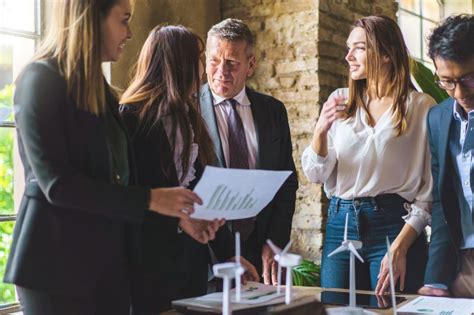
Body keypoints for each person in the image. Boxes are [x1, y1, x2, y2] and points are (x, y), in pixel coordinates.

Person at [4, 1, 222, 314]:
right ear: (92, 19)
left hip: (105, 267)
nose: (130, 33)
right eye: (123, 20)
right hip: (54, 269)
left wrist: (178, 216)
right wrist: (151, 199)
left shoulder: (104, 93)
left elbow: (116, 183)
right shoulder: (39, 79)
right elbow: (58, 184)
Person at [120, 25, 259, 314]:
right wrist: (178, 220)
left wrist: (228, 257)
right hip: (148, 268)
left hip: (190, 265)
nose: (203, 68)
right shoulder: (131, 119)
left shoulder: (188, 117)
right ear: (177, 63)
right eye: (199, 58)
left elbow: (200, 199)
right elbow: (130, 199)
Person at [302, 15, 435, 294]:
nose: (348, 56)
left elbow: (428, 190)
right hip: (341, 222)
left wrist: (400, 246)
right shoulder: (340, 100)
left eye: (359, 48)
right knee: (335, 310)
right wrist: (320, 131)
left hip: (393, 226)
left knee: (391, 310)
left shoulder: (421, 106)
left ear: (386, 54)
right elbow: (315, 174)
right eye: (348, 48)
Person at [200, 18, 298, 285]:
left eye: (232, 63)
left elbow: (286, 182)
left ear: (251, 65)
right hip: (206, 253)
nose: (222, 71)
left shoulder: (273, 111)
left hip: (261, 251)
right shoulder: (189, 109)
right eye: (214, 60)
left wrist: (274, 243)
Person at [419, 14, 474, 298]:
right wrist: (436, 279)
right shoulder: (438, 118)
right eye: (448, 82)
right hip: (462, 261)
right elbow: (444, 199)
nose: (460, 92)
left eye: (468, 78)